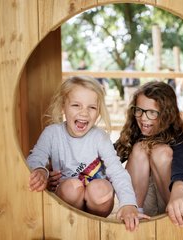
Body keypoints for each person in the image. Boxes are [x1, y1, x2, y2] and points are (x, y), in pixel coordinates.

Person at [26, 76, 149, 231]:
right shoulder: (52, 133)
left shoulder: (99, 137)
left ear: (98, 112)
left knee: (101, 188)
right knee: (72, 187)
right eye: (76, 105)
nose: (84, 113)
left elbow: (117, 171)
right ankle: (74, 225)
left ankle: (94, 226)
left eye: (92, 107)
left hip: (97, 201)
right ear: (63, 107)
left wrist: (129, 203)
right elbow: (35, 157)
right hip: (68, 200)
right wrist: (41, 171)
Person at [114, 81, 183, 227]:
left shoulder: (178, 136)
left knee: (160, 152)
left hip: (175, 200)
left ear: (166, 114)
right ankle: (133, 215)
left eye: (152, 112)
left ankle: (174, 216)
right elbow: (111, 158)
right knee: (140, 148)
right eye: (139, 110)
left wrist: (178, 188)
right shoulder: (134, 133)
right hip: (147, 206)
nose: (143, 118)